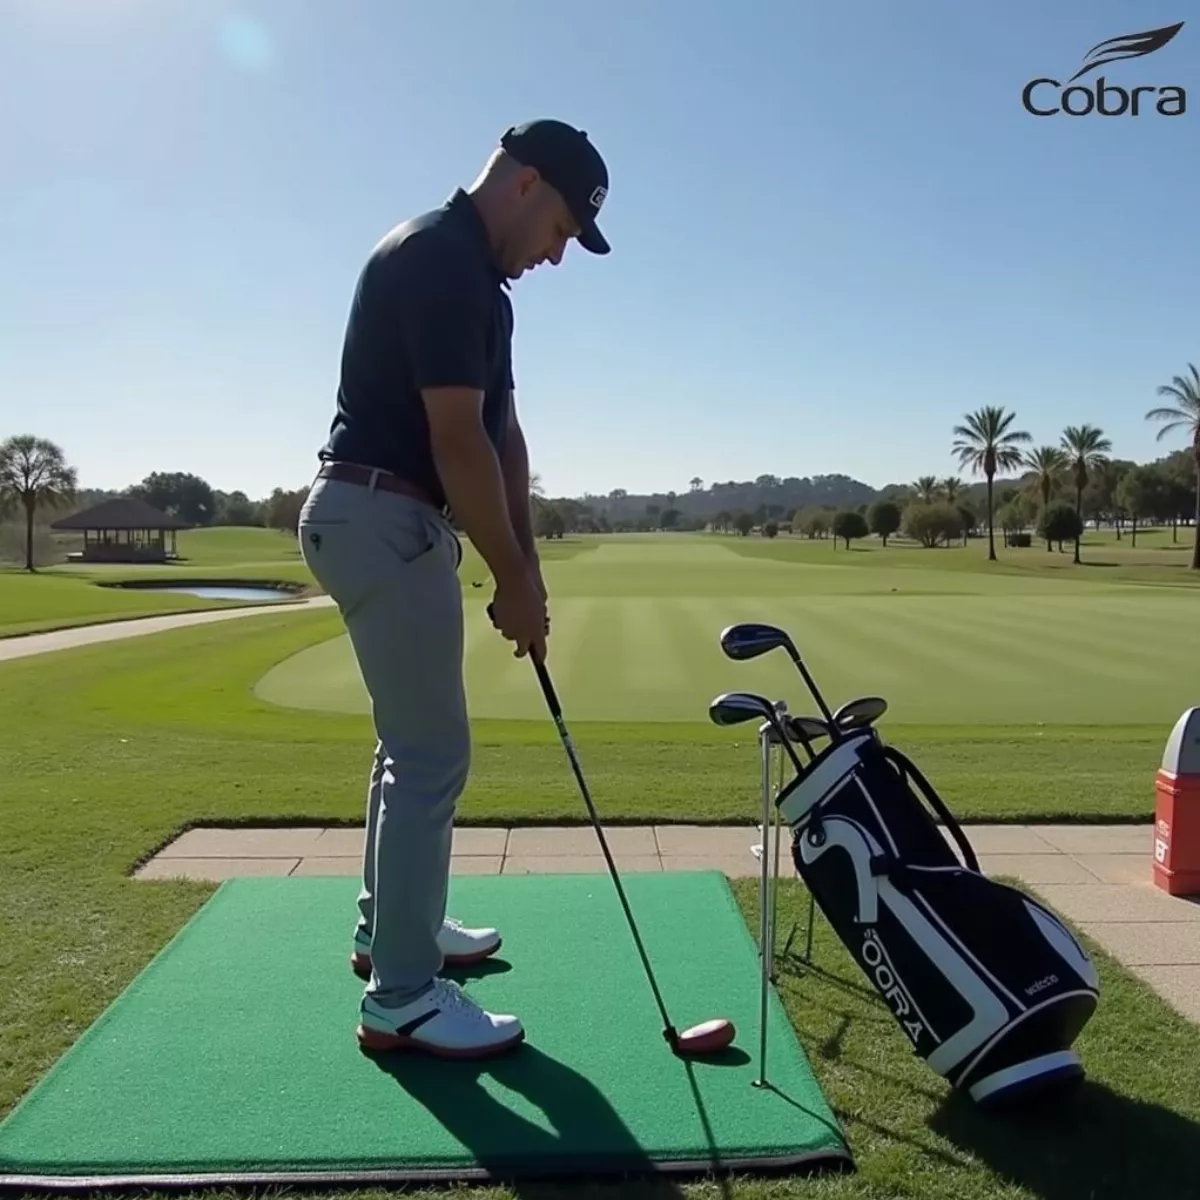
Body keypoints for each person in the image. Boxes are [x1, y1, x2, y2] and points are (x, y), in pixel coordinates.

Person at [297, 119, 611, 1059]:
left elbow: (503, 436)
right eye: (562, 228)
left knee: (411, 747)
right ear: (525, 185)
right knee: (431, 753)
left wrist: (532, 569)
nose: (557, 254)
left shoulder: (486, 288)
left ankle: (394, 930)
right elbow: (454, 438)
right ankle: (402, 996)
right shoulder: (438, 256)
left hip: (388, 520)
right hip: (380, 514)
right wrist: (508, 576)